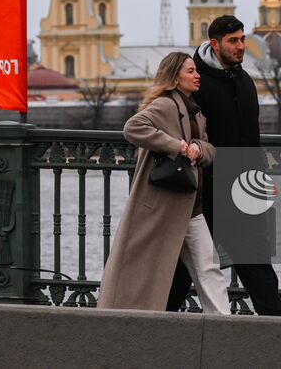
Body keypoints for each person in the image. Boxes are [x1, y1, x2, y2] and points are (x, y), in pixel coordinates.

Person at [167, 15, 281, 316]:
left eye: (243, 39)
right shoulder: (195, 83)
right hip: (205, 193)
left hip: (244, 192)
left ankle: (280, 332)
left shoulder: (244, 81)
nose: (242, 46)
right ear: (215, 44)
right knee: (184, 268)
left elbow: (252, 140)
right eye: (234, 41)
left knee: (257, 265)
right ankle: (154, 323)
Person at [97, 51, 229, 313]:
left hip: (189, 205)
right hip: (164, 206)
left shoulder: (196, 112)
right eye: (190, 71)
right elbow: (133, 128)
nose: (197, 75)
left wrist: (198, 149)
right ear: (174, 77)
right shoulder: (166, 104)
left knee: (208, 268)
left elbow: (209, 149)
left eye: (196, 70)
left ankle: (224, 324)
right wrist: (178, 147)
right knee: (147, 268)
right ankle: (125, 316)